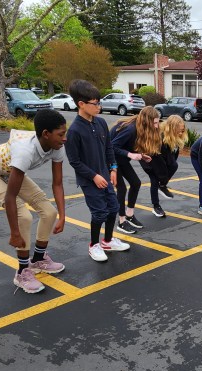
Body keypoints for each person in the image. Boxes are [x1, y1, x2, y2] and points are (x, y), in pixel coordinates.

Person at [0, 109, 67, 294]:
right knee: (24, 217)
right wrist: (15, 233)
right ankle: (22, 272)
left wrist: (62, 216)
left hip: (11, 170)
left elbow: (58, 183)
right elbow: (10, 197)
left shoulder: (57, 147)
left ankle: (38, 260)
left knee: (49, 212)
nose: (65, 139)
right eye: (61, 134)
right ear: (46, 134)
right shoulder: (25, 151)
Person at [64, 79, 130, 262]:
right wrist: (93, 176)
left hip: (106, 176)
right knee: (99, 212)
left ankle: (107, 241)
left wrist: (113, 169)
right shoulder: (74, 131)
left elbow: (109, 148)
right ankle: (94, 245)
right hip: (89, 180)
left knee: (113, 207)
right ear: (81, 104)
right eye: (95, 103)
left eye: (99, 102)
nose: (99, 107)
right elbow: (74, 161)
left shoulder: (100, 123)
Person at [110, 107, 160, 234]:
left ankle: (129, 215)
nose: (157, 126)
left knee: (136, 183)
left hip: (121, 158)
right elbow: (111, 147)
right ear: (147, 121)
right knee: (122, 188)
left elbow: (129, 145)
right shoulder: (130, 129)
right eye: (154, 123)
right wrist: (130, 155)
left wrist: (141, 155)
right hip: (110, 159)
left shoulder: (139, 127)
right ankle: (121, 222)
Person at [141, 115, 186, 218]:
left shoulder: (174, 138)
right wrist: (163, 178)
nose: (181, 133)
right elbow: (158, 160)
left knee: (173, 166)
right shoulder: (160, 137)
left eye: (182, 131)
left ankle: (162, 185)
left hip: (161, 158)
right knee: (155, 180)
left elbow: (173, 156)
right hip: (149, 158)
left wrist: (164, 179)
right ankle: (156, 206)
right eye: (179, 131)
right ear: (172, 128)